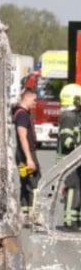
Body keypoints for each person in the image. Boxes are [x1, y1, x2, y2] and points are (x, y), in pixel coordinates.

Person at [57, 83, 81, 227]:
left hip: (74, 160)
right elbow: (67, 141)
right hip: (68, 161)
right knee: (72, 188)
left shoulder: (74, 116)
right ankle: (69, 221)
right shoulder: (68, 117)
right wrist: (77, 144)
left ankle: (76, 219)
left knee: (78, 188)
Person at [14, 86, 38, 211]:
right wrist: (29, 158)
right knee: (34, 183)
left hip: (20, 154)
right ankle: (32, 214)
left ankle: (25, 214)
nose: (35, 103)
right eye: (34, 100)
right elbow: (22, 137)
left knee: (25, 183)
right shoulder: (22, 115)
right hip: (25, 154)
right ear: (26, 98)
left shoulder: (20, 113)